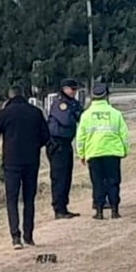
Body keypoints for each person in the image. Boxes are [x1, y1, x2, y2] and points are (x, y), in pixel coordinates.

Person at [0, 84, 50, 249]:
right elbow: (46, 136)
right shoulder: (35, 112)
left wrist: (1, 112)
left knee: (12, 199)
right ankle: (29, 236)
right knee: (29, 199)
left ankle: (16, 237)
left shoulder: (6, 113)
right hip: (31, 160)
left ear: (9, 97)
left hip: (11, 161)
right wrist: (35, 145)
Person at [75, 81, 130, 220]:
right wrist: (125, 150)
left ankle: (99, 211)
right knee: (113, 181)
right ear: (107, 96)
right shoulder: (115, 114)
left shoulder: (86, 115)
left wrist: (81, 153)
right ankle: (115, 210)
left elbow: (80, 137)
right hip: (112, 152)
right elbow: (124, 134)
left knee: (97, 182)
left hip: (94, 153)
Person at [46, 78, 83, 219]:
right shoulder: (60, 103)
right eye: (72, 89)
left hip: (66, 143)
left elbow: (83, 116)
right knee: (59, 177)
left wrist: (75, 112)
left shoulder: (72, 103)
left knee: (67, 177)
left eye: (76, 89)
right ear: (65, 88)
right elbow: (66, 120)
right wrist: (75, 113)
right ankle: (58, 209)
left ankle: (63, 207)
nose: (74, 92)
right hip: (57, 144)